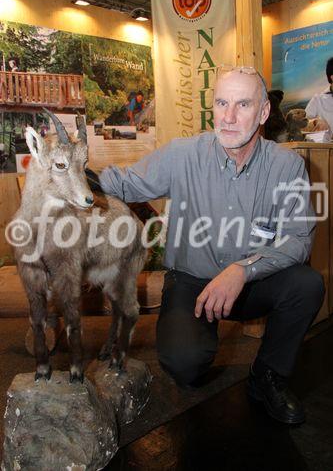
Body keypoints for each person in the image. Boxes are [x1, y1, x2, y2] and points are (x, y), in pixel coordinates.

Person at [92, 66, 325, 425]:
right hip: (192, 281)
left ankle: (267, 376)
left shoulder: (287, 167)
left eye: (243, 104)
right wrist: (70, 174)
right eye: (221, 103)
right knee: (185, 365)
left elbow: (298, 240)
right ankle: (197, 343)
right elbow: (125, 184)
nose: (228, 117)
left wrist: (242, 270)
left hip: (250, 282)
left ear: (263, 113)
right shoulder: (182, 155)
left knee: (307, 285)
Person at [305, 57, 333, 132]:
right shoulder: (318, 100)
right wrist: (315, 121)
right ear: (332, 77)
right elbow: (303, 123)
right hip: (325, 143)